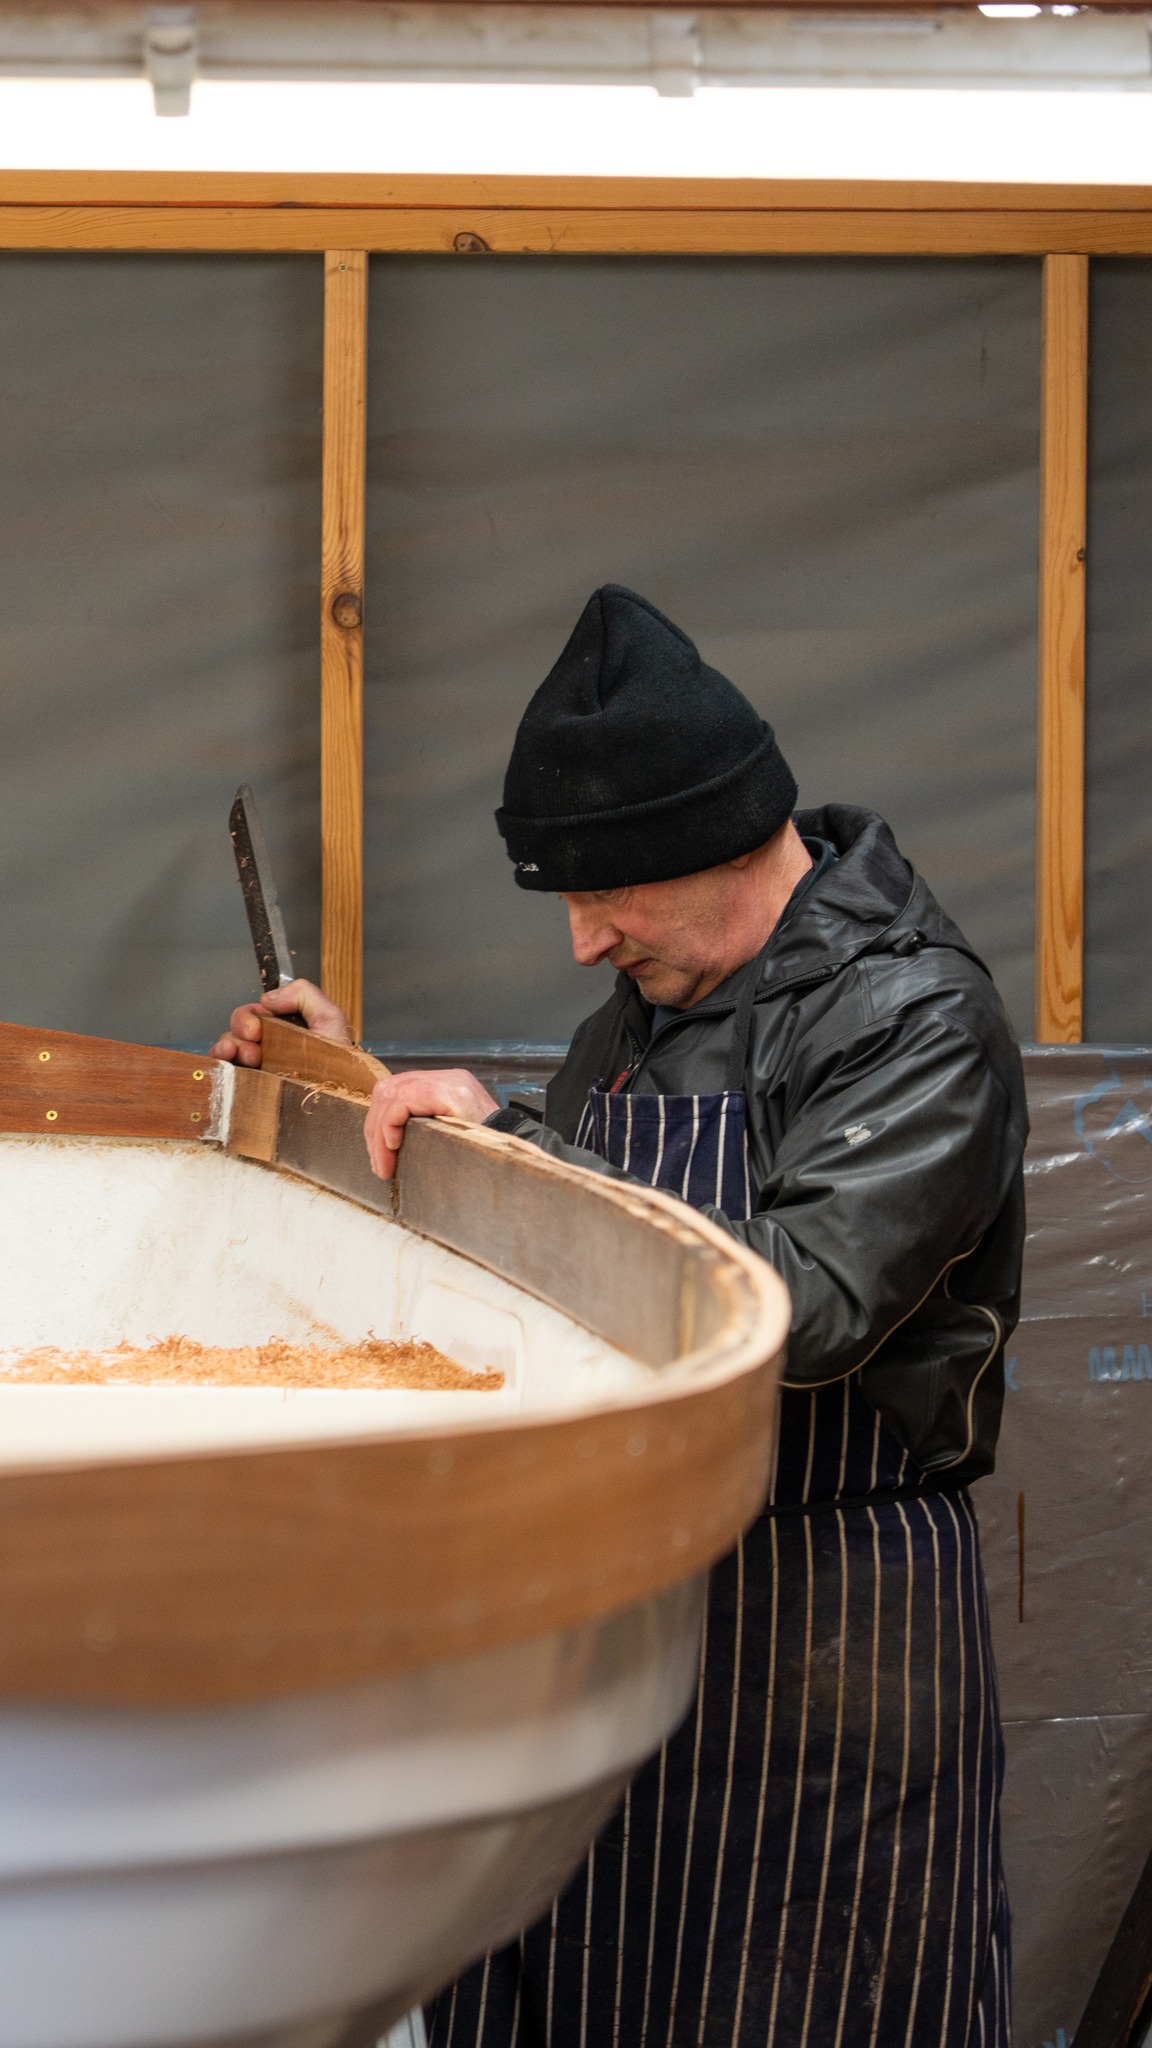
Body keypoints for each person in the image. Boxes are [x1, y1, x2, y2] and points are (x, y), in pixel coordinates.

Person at [213, 585, 1027, 2048]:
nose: (586, 944)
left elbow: (798, 1302)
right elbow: (564, 1252)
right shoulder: (636, 1027)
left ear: (716, 842)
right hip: (630, 1624)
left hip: (824, 1652)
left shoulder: (912, 1020)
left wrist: (516, 1151)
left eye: (609, 897)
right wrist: (362, 1091)